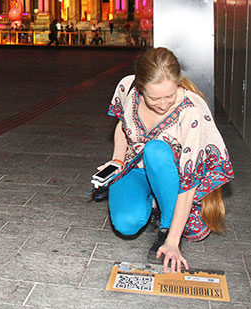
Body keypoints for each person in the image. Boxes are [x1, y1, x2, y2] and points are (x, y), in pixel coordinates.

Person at [97, 47, 233, 273]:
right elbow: (122, 124)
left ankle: (167, 222)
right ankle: (153, 204)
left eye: (169, 96)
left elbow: (189, 181)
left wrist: (172, 240)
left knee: (156, 150)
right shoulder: (127, 87)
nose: (162, 104)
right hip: (137, 169)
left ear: (178, 83)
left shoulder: (191, 110)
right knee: (126, 224)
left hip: (174, 178)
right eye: (154, 97)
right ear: (140, 87)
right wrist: (118, 161)